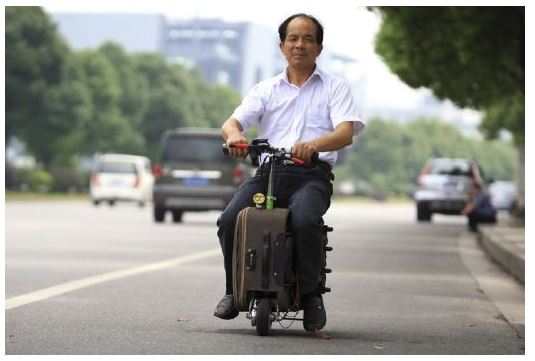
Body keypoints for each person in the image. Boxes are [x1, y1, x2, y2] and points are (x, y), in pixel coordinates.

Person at [214, 13, 365, 331]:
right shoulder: (266, 89)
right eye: (293, 38)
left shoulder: (334, 88)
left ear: (319, 48)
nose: (300, 44)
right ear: (282, 46)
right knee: (230, 219)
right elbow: (232, 123)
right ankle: (232, 290)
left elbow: (345, 133)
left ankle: (311, 297)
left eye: (308, 38)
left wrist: (314, 144)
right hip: (269, 173)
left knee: (306, 220)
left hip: (312, 175)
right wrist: (235, 138)